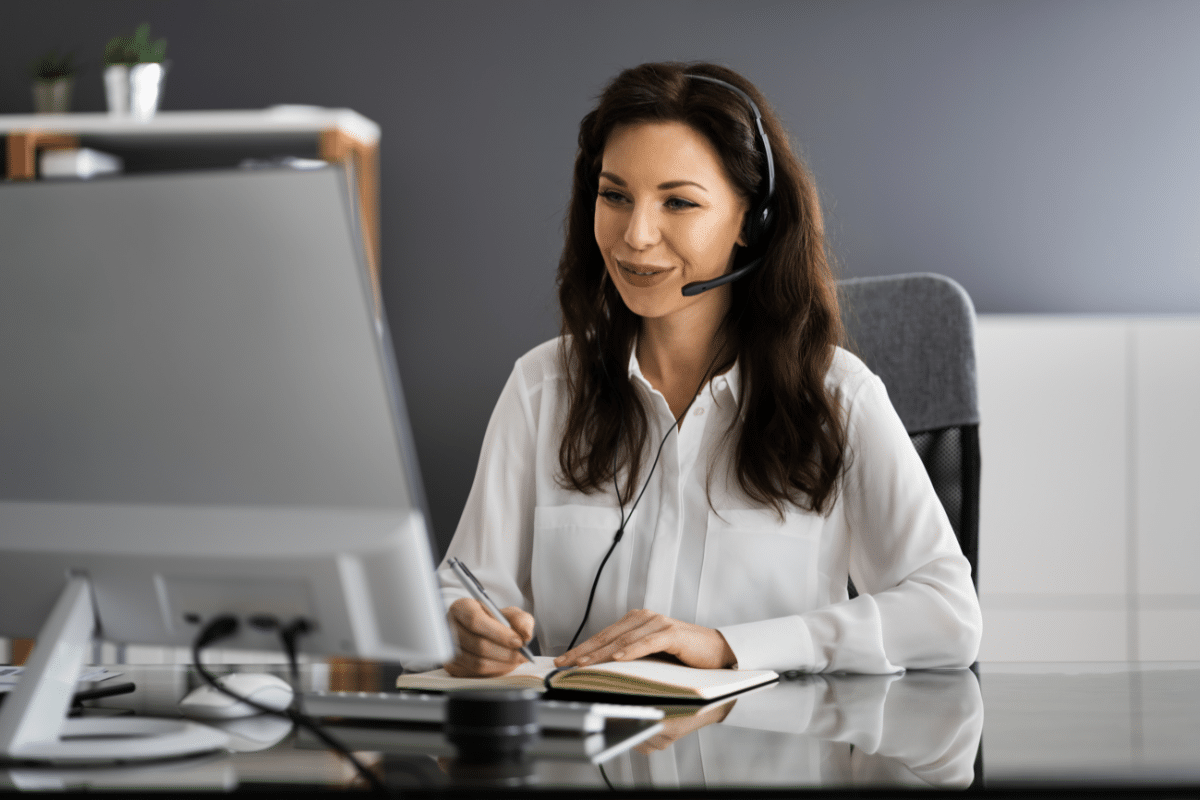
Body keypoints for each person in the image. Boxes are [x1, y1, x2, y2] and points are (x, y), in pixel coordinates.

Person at [437, 61, 981, 677]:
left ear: (753, 221)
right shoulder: (543, 389)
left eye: (678, 202)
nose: (635, 236)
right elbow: (463, 588)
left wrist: (729, 648)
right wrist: (460, 627)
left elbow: (949, 615)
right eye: (615, 196)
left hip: (769, 756)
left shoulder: (838, 397)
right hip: (590, 762)